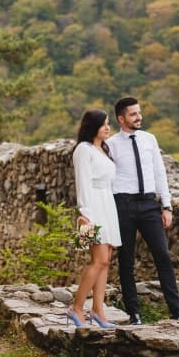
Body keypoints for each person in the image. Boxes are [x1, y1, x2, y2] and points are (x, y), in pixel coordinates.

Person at [107, 97, 179, 323]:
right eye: (133, 114)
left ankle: (176, 311)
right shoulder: (111, 145)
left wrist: (166, 206)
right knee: (126, 260)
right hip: (124, 204)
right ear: (121, 119)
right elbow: (108, 179)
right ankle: (134, 313)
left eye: (139, 113)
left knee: (163, 256)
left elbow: (160, 173)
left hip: (150, 205)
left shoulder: (150, 139)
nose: (139, 117)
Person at [68, 109, 121, 329]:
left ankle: (98, 310)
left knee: (106, 260)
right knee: (97, 260)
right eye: (103, 124)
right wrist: (85, 214)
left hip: (108, 205)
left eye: (109, 124)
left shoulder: (104, 149)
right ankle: (76, 308)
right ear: (92, 126)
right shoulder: (83, 150)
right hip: (93, 208)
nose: (107, 128)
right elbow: (83, 182)